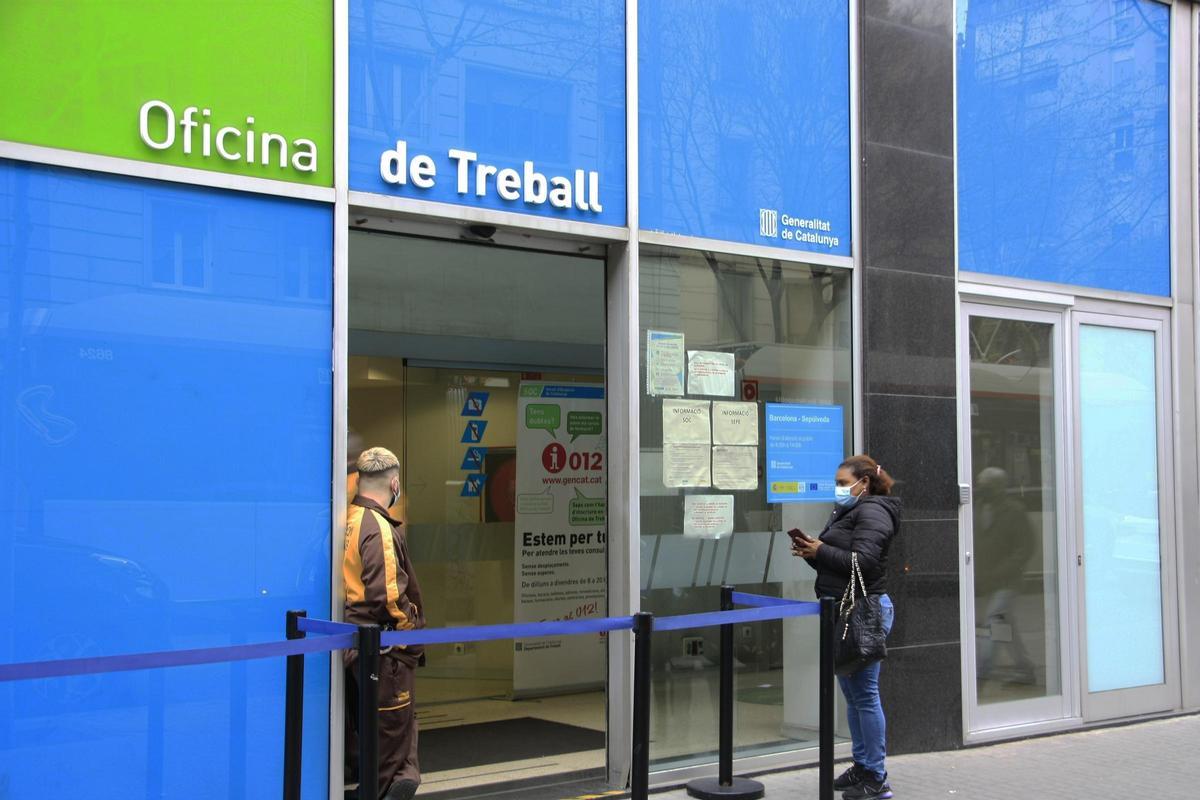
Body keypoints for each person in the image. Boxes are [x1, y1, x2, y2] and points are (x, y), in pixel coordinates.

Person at [792, 454, 900, 800]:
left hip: (864, 611)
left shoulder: (873, 511)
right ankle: (863, 765)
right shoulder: (852, 511)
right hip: (845, 609)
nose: (838, 489)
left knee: (865, 695)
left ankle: (876, 776)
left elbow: (865, 564)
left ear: (863, 483)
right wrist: (815, 554)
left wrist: (821, 550)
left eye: (842, 483)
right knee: (853, 696)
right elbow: (841, 568)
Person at [344, 447, 425, 800]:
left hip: (357, 645)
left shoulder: (348, 519)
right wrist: (410, 636)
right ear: (394, 483)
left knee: (380, 737)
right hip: (386, 651)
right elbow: (387, 596)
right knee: (393, 746)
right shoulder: (377, 527)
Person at [972, 466, 1038, 684]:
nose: (981, 490)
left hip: (1008, 581)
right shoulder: (978, 509)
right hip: (990, 580)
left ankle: (982, 673)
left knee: (994, 620)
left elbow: (1025, 547)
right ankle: (1025, 668)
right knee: (1004, 626)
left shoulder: (1014, 511)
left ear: (998, 487)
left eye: (986, 486)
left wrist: (1004, 570)